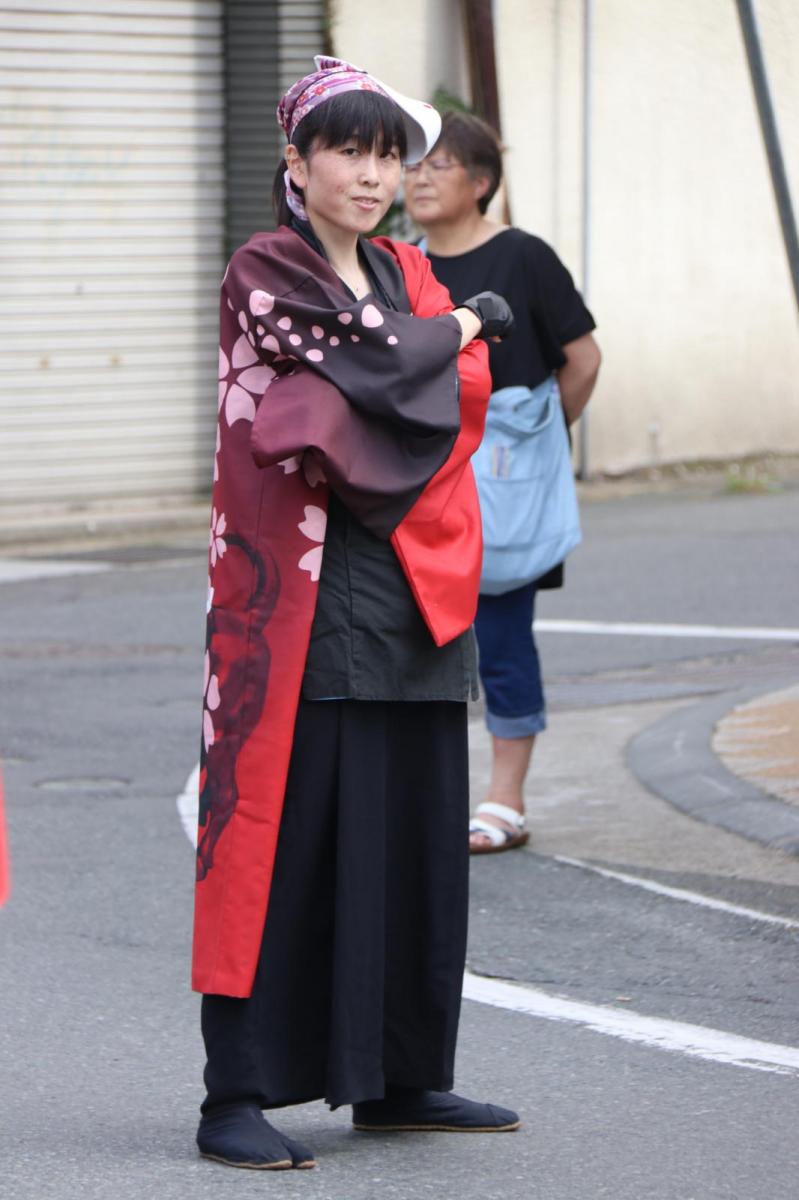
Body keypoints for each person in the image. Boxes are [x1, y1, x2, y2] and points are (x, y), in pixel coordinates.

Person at [193, 57, 519, 1171]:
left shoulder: (400, 267)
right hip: (298, 592)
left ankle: (400, 1078)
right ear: (297, 160)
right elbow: (384, 366)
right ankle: (233, 1090)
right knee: (286, 836)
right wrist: (455, 332)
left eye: (390, 153)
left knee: (417, 834)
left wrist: (426, 358)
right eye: (349, 148)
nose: (376, 173)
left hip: (416, 580)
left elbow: (440, 391)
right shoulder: (266, 265)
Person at [405, 111, 601, 855]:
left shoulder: (523, 258)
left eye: (438, 164)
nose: (418, 177)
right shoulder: (397, 264)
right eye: (412, 164)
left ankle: (504, 800)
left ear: (480, 182)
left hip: (504, 493)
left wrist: (537, 447)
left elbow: (580, 362)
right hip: (417, 489)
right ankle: (425, 797)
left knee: (502, 639)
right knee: (413, 645)